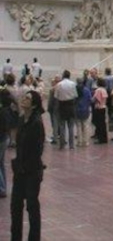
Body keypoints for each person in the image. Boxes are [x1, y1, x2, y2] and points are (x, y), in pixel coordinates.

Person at [10, 90, 45, 241]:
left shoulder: (36, 123)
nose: (24, 99)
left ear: (34, 105)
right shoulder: (21, 119)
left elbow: (38, 149)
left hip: (32, 171)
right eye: (24, 97)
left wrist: (26, 166)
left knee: (32, 207)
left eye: (28, 98)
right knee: (15, 207)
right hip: (19, 169)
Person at [54, 70, 78, 150]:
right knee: (71, 127)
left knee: (62, 126)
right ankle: (71, 145)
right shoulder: (73, 84)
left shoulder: (59, 84)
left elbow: (56, 97)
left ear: (63, 75)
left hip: (62, 106)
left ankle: (62, 144)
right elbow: (75, 95)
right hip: (71, 105)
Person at [75, 78, 92, 148]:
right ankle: (86, 141)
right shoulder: (87, 90)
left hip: (77, 110)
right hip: (85, 110)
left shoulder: (75, 90)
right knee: (85, 125)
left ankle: (79, 142)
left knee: (78, 126)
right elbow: (90, 99)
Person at [91, 77, 109, 144]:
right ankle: (104, 138)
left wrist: (91, 99)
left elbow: (95, 99)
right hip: (103, 107)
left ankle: (100, 138)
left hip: (98, 107)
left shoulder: (98, 90)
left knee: (99, 124)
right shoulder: (104, 90)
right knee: (103, 124)